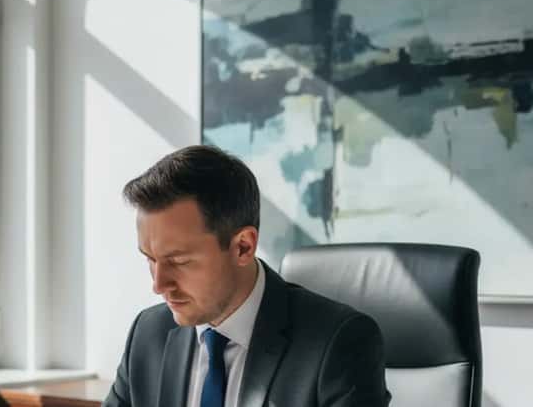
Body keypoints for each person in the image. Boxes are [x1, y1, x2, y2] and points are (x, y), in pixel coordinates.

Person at [103, 145, 390, 407]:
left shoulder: (339, 343)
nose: (158, 284)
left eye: (178, 261)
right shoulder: (148, 332)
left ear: (243, 246)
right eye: (150, 259)